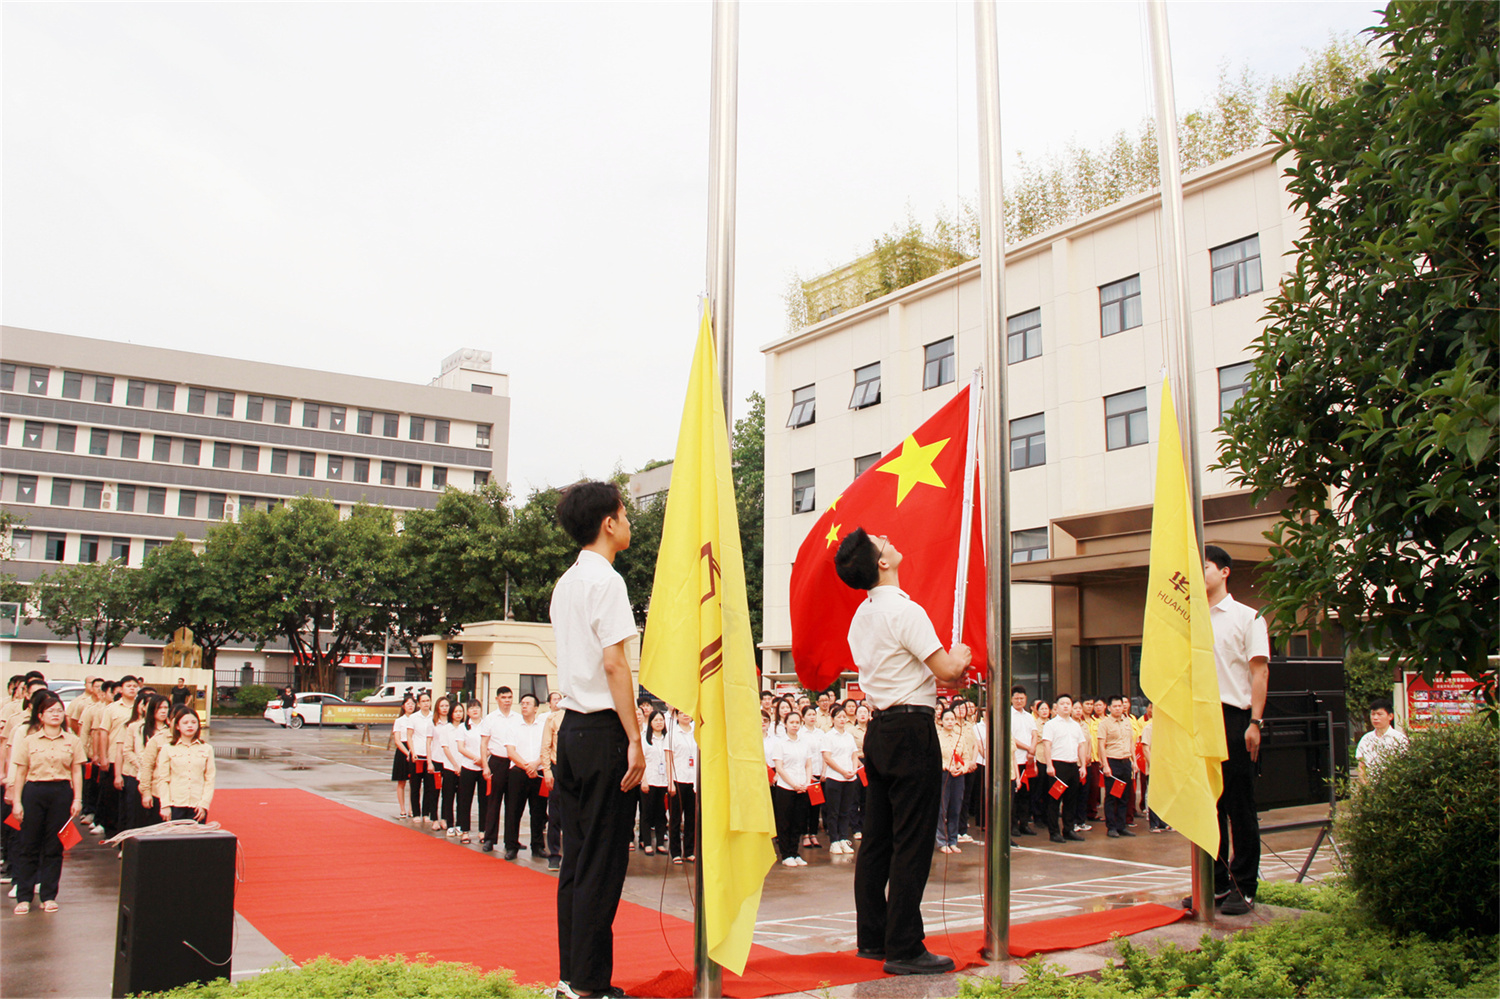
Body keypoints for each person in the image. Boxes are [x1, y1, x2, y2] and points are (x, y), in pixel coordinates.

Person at [835, 528, 970, 976]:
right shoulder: (905, 611)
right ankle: (905, 946)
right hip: (911, 729)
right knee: (912, 840)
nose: (889, 539)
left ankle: (873, 938)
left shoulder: (862, 616)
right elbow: (947, 670)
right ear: (881, 563)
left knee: (877, 839)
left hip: (880, 728)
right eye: (881, 541)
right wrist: (961, 654)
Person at [550, 480, 644, 999]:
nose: (629, 522)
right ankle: (589, 983)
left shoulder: (566, 582)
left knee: (577, 860)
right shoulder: (607, 581)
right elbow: (614, 664)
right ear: (608, 523)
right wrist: (634, 737)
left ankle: (573, 976)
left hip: (571, 730)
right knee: (603, 862)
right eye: (625, 514)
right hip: (603, 729)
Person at [1198, 544, 1270, 916]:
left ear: (1224, 571)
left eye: (1205, 567)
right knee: (1206, 805)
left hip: (1235, 717)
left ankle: (1244, 886)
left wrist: (1255, 722)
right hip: (1199, 718)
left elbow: (1259, 672)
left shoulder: (1248, 617)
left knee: (1239, 806)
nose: (1200, 573)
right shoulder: (1190, 618)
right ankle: (1214, 883)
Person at [6, 692, 85, 914]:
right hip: (34, 792)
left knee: (54, 846)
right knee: (28, 845)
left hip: (61, 793)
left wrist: (78, 798)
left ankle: (49, 896)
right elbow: (21, 772)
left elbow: (76, 771)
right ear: (40, 715)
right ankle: (24, 896)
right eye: (50, 711)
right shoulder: (29, 740)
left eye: (59, 710)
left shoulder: (72, 741)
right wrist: (17, 802)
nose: (55, 714)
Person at [504, 693, 548, 861]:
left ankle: (538, 846)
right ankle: (511, 846)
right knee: (514, 810)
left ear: (536, 708)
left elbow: (547, 748)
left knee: (538, 811)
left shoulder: (543, 726)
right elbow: (511, 752)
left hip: (539, 771)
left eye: (528, 703)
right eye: (522, 703)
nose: (524, 706)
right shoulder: (513, 726)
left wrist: (535, 764)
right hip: (518, 772)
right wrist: (527, 766)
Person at [1038, 693, 1086, 844]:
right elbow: (1047, 745)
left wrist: (1083, 765)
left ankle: (1069, 829)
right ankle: (1054, 832)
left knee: (1071, 800)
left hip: (1073, 765)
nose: (1066, 706)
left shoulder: (1076, 725)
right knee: (1054, 800)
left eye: (1068, 704)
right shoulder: (1051, 725)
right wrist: (1049, 765)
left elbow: (1081, 745)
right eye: (1062, 704)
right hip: (1058, 766)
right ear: (1056, 707)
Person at [770, 710, 815, 867]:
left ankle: (795, 852)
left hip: (802, 787)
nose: (794, 725)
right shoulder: (780, 744)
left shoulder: (804, 743)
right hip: (786, 788)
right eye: (791, 723)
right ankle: (786, 854)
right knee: (785, 822)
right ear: (785, 724)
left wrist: (807, 782)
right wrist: (793, 784)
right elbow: (780, 768)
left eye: (797, 723)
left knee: (798, 821)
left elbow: (808, 765)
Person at [153, 709, 215, 823]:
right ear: (177, 726)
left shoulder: (207, 749)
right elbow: (163, 779)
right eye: (185, 723)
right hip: (175, 804)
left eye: (193, 722)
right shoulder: (168, 748)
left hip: (197, 805)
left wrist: (204, 804)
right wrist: (165, 805)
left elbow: (209, 779)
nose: (190, 726)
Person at [479, 687, 516, 853]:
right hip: (497, 762)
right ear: (497, 699)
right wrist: (485, 766)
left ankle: (511, 842)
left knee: (513, 804)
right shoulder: (490, 718)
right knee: (493, 802)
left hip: (514, 763)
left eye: (509, 697)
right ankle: (489, 838)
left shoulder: (518, 718)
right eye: (504, 697)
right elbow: (484, 744)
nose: (507, 700)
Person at [820, 709, 859, 854]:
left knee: (845, 810)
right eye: (839, 717)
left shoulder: (849, 736)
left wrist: (853, 770)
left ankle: (843, 838)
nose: (842, 719)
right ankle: (834, 840)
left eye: (844, 717)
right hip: (835, 777)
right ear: (833, 719)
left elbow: (854, 755)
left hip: (850, 777)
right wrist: (842, 771)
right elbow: (827, 758)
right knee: (833, 811)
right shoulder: (828, 736)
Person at [1097, 695, 1137, 838]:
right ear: (1109, 708)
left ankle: (1121, 826)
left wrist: (1134, 762)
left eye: (1120, 706)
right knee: (1112, 796)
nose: (1118, 708)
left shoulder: (1127, 722)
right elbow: (1101, 745)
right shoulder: (1105, 724)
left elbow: (1131, 743)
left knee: (1124, 796)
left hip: (1126, 762)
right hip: (1112, 762)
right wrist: (1105, 765)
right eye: (1115, 706)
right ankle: (1111, 827)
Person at [936, 707, 970, 853]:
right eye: (947, 719)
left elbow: (966, 756)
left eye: (952, 719)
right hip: (943, 774)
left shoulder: (960, 737)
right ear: (941, 721)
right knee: (941, 809)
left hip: (958, 775)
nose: (950, 722)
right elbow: (934, 758)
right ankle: (941, 841)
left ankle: (953, 840)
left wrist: (963, 768)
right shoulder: (937, 737)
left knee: (955, 808)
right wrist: (946, 766)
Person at [666, 710, 698, 864]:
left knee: (691, 819)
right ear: (677, 716)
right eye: (682, 712)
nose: (685, 715)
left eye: (687, 712)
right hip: (678, 780)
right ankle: (676, 852)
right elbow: (668, 759)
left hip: (693, 781)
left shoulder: (696, 733)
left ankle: (689, 851)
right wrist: (670, 782)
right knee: (676, 819)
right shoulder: (672, 733)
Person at [539, 693, 566, 869]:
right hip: (557, 769)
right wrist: (547, 772)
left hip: (577, 771)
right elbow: (545, 747)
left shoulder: (583, 718)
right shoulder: (553, 719)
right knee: (555, 814)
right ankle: (554, 854)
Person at [453, 699, 486, 844]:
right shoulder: (463, 727)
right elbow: (461, 748)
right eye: (471, 708)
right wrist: (475, 758)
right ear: (468, 712)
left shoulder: (486, 725)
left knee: (484, 800)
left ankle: (483, 831)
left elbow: (491, 745)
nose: (475, 710)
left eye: (477, 707)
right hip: (468, 766)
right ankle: (465, 831)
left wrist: (483, 759)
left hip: (484, 767)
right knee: (465, 799)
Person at [638, 709, 670, 855]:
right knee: (647, 813)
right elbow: (641, 760)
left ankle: (660, 843)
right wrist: (643, 780)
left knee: (661, 814)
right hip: (649, 780)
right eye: (656, 720)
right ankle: (647, 843)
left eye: (661, 720)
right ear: (650, 723)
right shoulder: (645, 739)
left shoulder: (667, 739)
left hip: (663, 781)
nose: (659, 723)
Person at [137, 696, 173, 822]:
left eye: (166, 708)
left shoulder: (171, 731)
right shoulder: (140, 728)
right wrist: (146, 791)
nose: (163, 711)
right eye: (159, 708)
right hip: (142, 776)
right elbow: (143, 759)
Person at [1355, 698, 1408, 783]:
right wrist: (1366, 786)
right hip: (1370, 786)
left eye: (1380, 714)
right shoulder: (1366, 739)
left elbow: (1404, 766)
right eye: (1373, 714)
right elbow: (1361, 766)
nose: (1375, 718)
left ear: (1390, 716)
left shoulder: (1399, 739)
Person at [1010, 685, 1037, 837]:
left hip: (1029, 760)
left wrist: (1032, 750)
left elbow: (1035, 734)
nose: (1019, 701)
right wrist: (1028, 748)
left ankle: (1024, 824)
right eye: (1016, 698)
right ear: (1011, 699)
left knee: (1026, 795)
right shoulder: (1009, 715)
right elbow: (1011, 738)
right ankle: (1013, 825)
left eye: (1021, 698)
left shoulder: (1029, 716)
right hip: (1016, 760)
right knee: (1014, 795)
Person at [408, 692, 437, 828]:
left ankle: (426, 813)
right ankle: (416, 813)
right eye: (423, 701)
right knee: (415, 785)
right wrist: (412, 752)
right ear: (418, 704)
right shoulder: (413, 717)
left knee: (429, 786)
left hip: (430, 756)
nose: (426, 703)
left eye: (428, 701)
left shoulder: (434, 717)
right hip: (417, 755)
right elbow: (409, 736)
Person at [428, 695, 453, 832]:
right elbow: (428, 743)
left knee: (447, 791)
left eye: (446, 706)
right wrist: (429, 762)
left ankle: (445, 818)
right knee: (434, 790)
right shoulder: (433, 723)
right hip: (436, 759)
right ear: (437, 707)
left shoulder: (452, 723)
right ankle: (434, 818)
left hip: (448, 761)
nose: (444, 708)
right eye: (442, 706)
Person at [391, 695, 417, 818]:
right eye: (408, 704)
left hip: (415, 749)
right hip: (403, 751)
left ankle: (412, 809)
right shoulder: (399, 721)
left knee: (414, 782)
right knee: (401, 782)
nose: (410, 706)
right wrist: (408, 753)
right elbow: (397, 740)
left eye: (412, 704)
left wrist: (413, 752)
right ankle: (402, 809)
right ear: (403, 706)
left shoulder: (417, 719)